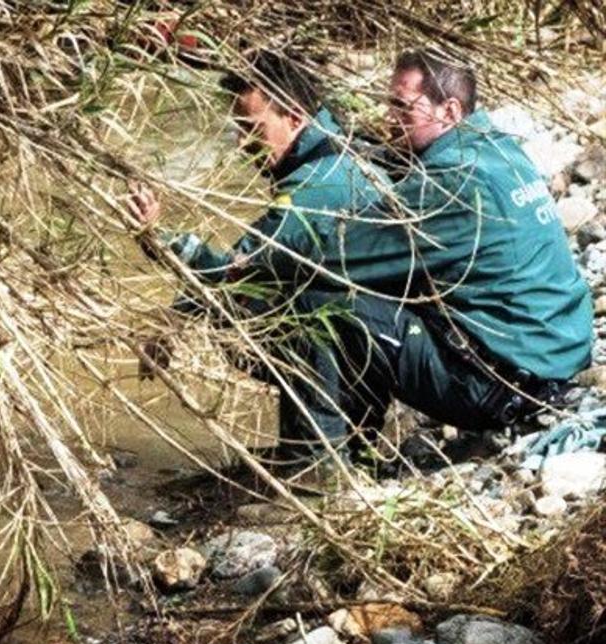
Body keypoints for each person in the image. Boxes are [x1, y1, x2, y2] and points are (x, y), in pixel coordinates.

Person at [141, 49, 591, 463]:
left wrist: (166, 243)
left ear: (450, 112)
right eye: (388, 104)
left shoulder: (449, 183)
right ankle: (352, 437)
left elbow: (314, 257)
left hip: (502, 384)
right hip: (550, 359)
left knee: (315, 302)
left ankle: (316, 464)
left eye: (402, 107)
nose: (387, 118)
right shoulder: (496, 149)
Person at [128, 51, 391, 458]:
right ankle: (344, 439)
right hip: (386, 330)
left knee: (254, 315)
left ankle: (314, 459)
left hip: (382, 339)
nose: (243, 143)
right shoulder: (336, 148)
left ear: (294, 118)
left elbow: (237, 269)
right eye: (238, 129)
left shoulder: (313, 190)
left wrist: (156, 237)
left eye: (252, 129)